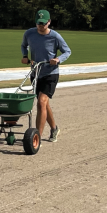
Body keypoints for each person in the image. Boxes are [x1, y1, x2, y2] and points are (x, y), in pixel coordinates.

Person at [20, 9, 71, 142]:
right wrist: (25, 56)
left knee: (41, 103)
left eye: (43, 23)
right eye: (38, 23)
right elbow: (23, 46)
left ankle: (36, 138)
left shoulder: (55, 36)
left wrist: (58, 59)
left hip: (51, 73)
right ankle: (54, 129)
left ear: (49, 22)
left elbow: (67, 51)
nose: (41, 26)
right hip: (36, 73)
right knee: (44, 104)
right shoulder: (29, 33)